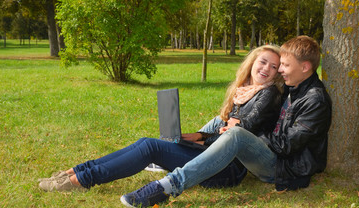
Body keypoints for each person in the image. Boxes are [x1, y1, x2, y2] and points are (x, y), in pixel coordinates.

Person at [119, 35, 332, 208]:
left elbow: (285, 146)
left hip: (284, 168)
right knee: (226, 125)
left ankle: (168, 186)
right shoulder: (291, 87)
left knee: (237, 134)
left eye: (285, 65)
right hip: (271, 153)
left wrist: (246, 130)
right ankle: (186, 152)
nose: (281, 70)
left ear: (305, 67)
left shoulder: (315, 100)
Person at [38, 45, 283, 193]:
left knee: (150, 147)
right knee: (146, 142)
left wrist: (222, 130)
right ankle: (75, 171)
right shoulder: (244, 90)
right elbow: (225, 128)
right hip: (213, 157)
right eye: (263, 62)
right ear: (252, 62)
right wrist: (198, 137)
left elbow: (245, 128)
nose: (266, 69)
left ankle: (79, 180)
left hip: (225, 170)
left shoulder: (269, 93)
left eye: (274, 67)